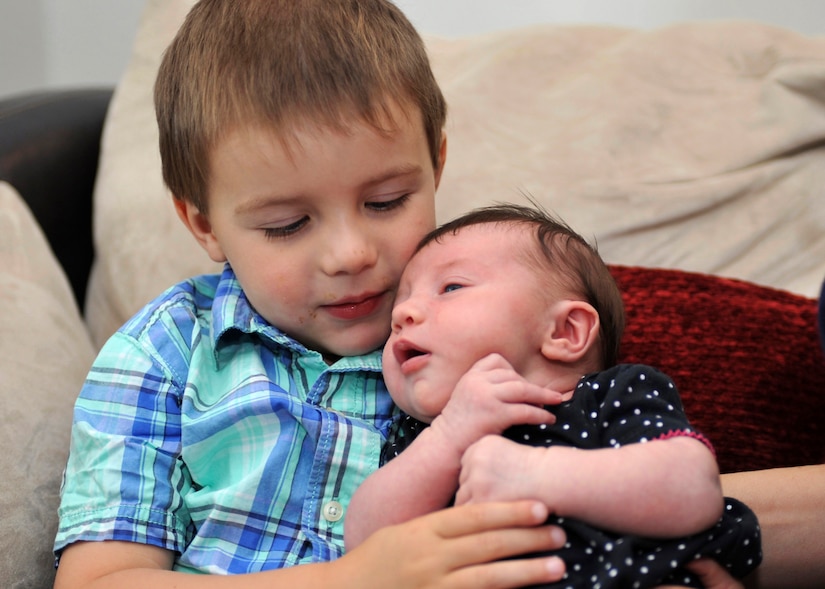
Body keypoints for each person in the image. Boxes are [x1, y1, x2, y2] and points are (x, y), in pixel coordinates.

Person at [51, 2, 571, 587]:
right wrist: (358, 578)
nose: (350, 255)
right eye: (287, 224)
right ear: (204, 225)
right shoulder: (163, 355)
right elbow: (96, 581)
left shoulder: (485, 321)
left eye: (387, 201)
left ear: (436, 166)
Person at [345, 204, 762, 588]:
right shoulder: (420, 439)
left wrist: (534, 474)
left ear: (564, 333)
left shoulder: (608, 397)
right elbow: (364, 548)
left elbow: (694, 489)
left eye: (451, 287)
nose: (402, 315)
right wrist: (450, 434)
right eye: (402, 301)